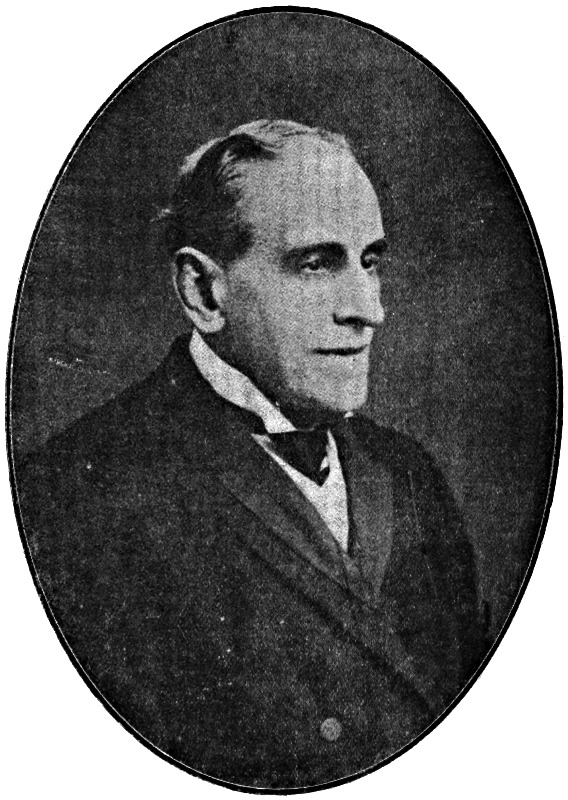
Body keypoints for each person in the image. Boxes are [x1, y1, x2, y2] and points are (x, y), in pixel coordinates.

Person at [16, 120, 488, 789]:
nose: (369, 310)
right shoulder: (75, 498)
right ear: (204, 293)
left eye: (370, 262)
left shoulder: (409, 474)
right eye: (316, 264)